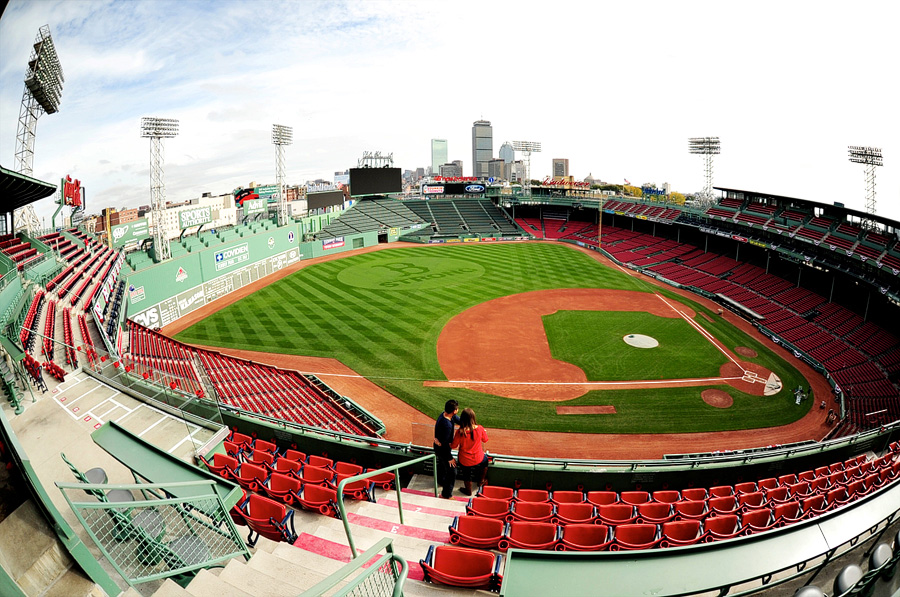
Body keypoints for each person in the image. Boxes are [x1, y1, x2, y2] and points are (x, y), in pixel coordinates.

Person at [450, 407, 489, 496]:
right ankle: (481, 481)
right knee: (485, 461)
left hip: (465, 460)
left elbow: (453, 446)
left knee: (466, 474)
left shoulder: (460, 432)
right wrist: (484, 432)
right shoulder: (480, 429)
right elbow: (485, 439)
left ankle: (468, 490)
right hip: (478, 457)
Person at [433, 400, 460, 499]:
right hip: (442, 449)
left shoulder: (445, 414)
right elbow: (444, 445)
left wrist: (467, 423)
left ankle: (441, 481)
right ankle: (446, 494)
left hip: (439, 447)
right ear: (454, 411)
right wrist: (449, 458)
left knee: (441, 464)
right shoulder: (447, 426)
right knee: (452, 471)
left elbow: (458, 420)